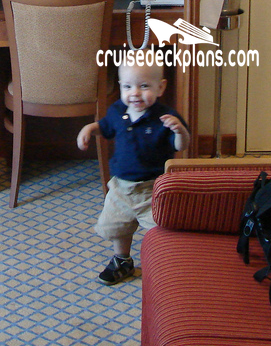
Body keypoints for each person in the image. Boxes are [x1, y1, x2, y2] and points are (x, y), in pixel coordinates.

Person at [77, 60, 189, 285]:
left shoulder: (166, 117)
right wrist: (89, 128)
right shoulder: (117, 111)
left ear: (160, 87)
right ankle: (122, 260)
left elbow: (181, 146)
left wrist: (180, 131)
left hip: (153, 188)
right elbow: (105, 127)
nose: (135, 93)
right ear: (120, 86)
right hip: (121, 187)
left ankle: (163, 263)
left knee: (161, 229)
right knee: (118, 227)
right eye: (128, 87)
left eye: (144, 86)